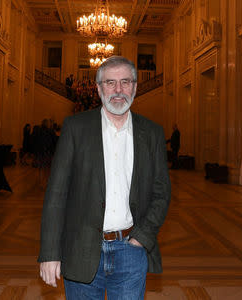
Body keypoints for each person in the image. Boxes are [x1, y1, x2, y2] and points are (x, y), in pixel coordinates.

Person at [38, 56, 171, 299]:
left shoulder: (152, 133)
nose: (118, 90)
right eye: (110, 83)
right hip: (81, 249)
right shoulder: (75, 128)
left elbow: (162, 192)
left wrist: (142, 236)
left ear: (135, 87)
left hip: (131, 250)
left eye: (125, 82)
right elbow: (56, 194)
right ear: (99, 89)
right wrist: (49, 253)